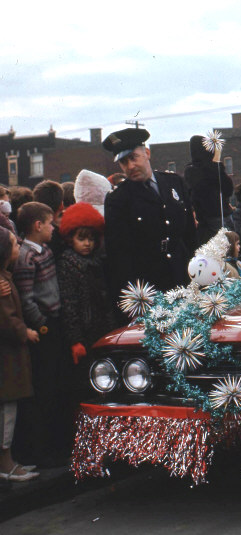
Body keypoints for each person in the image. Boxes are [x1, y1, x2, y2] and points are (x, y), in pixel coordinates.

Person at [102, 128, 197, 314]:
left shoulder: (173, 183)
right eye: (123, 161)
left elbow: (189, 233)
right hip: (149, 285)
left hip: (182, 274)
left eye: (133, 157)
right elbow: (119, 254)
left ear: (147, 153)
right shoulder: (119, 199)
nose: (129, 166)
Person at [12, 202, 69, 466]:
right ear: (37, 226)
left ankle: (54, 446)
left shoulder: (44, 250)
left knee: (56, 383)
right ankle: (41, 451)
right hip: (44, 327)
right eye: (49, 223)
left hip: (55, 321)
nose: (53, 227)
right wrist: (42, 324)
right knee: (44, 387)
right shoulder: (27, 258)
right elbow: (26, 298)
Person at [0, 227, 39, 482]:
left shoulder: (5, 277)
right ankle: (7, 464)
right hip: (7, 359)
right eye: (14, 244)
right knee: (7, 413)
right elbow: (8, 320)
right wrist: (26, 332)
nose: (18, 247)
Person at [56, 203, 114, 367]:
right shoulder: (67, 265)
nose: (87, 243)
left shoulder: (97, 262)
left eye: (91, 239)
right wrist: (76, 339)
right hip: (85, 329)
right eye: (81, 239)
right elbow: (69, 304)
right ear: (70, 239)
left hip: (101, 326)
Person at [184, 135, 234, 244]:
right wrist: (215, 167)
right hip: (211, 219)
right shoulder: (194, 170)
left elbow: (228, 189)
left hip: (221, 216)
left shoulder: (211, 168)